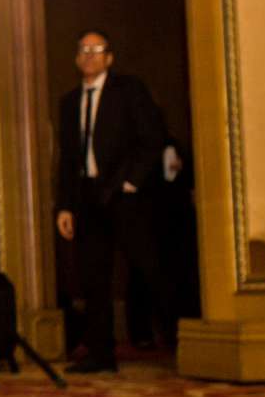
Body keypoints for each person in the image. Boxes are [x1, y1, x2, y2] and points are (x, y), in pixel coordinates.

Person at [54, 29, 175, 372]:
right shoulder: (68, 103)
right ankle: (100, 353)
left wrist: (131, 182)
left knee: (149, 266)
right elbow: (66, 160)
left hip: (125, 195)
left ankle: (180, 338)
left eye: (97, 49)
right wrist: (65, 206)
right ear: (77, 58)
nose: (90, 55)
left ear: (109, 57)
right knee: (93, 277)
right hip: (86, 197)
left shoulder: (128, 91)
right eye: (84, 50)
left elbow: (152, 138)